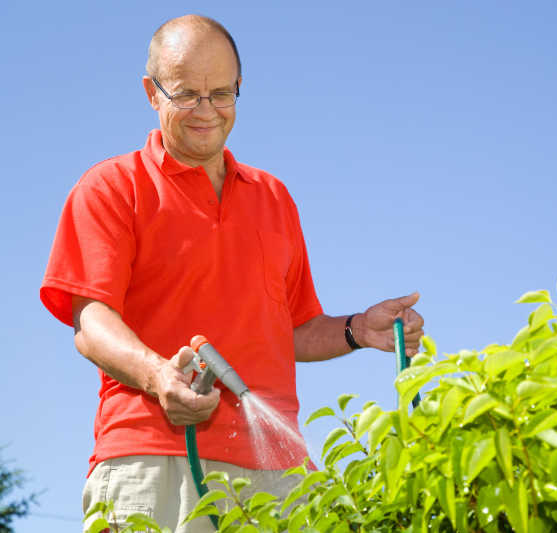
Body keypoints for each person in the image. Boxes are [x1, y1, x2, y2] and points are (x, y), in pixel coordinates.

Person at [39, 14, 424, 533]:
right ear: (152, 93)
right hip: (155, 459)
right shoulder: (112, 187)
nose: (206, 111)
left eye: (221, 93)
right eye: (186, 95)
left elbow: (291, 331)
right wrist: (159, 377)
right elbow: (92, 322)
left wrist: (358, 329)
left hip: (279, 470)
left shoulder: (273, 198)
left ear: (240, 88)